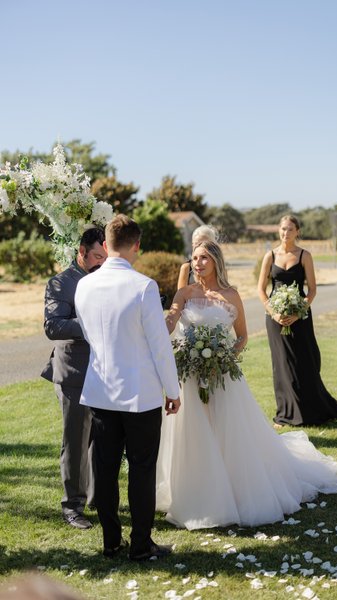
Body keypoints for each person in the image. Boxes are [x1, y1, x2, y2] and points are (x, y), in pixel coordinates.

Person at [156, 240, 337, 530]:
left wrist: (224, 359)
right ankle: (196, 491)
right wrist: (159, 321)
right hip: (190, 377)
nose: (197, 263)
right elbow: (171, 322)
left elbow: (242, 337)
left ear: (215, 261)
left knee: (227, 432)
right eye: (194, 258)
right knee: (194, 432)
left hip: (222, 375)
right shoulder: (184, 293)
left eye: (203, 258)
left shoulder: (231, 295)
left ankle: (232, 490)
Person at [75, 214, 181, 560]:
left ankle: (110, 541)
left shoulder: (84, 285)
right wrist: (173, 390)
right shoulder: (143, 287)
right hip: (140, 395)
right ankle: (140, 544)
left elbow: (90, 336)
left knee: (104, 470)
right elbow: (159, 345)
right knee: (141, 469)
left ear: (105, 246)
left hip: (101, 392)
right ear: (137, 246)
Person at [41, 227, 107, 530]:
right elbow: (53, 327)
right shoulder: (60, 283)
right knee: (76, 441)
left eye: (105, 257)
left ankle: (97, 496)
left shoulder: (106, 279)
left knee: (102, 437)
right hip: (74, 373)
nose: (101, 263)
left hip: (106, 371)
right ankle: (72, 507)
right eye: (96, 256)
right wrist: (93, 324)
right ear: (81, 252)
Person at [257, 215, 337, 427]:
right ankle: (284, 414)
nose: (285, 233)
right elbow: (261, 290)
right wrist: (274, 313)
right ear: (279, 230)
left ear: (298, 232)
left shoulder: (305, 255)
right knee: (281, 364)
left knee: (305, 361)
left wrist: (298, 313)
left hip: (301, 318)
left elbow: (312, 290)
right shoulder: (270, 256)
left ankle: (313, 410)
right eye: (283, 229)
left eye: (290, 229)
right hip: (275, 319)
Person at [177, 224, 218, 289]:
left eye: (204, 244)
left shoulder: (218, 267)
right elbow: (180, 295)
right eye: (196, 244)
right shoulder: (186, 268)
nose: (200, 247)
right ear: (192, 245)